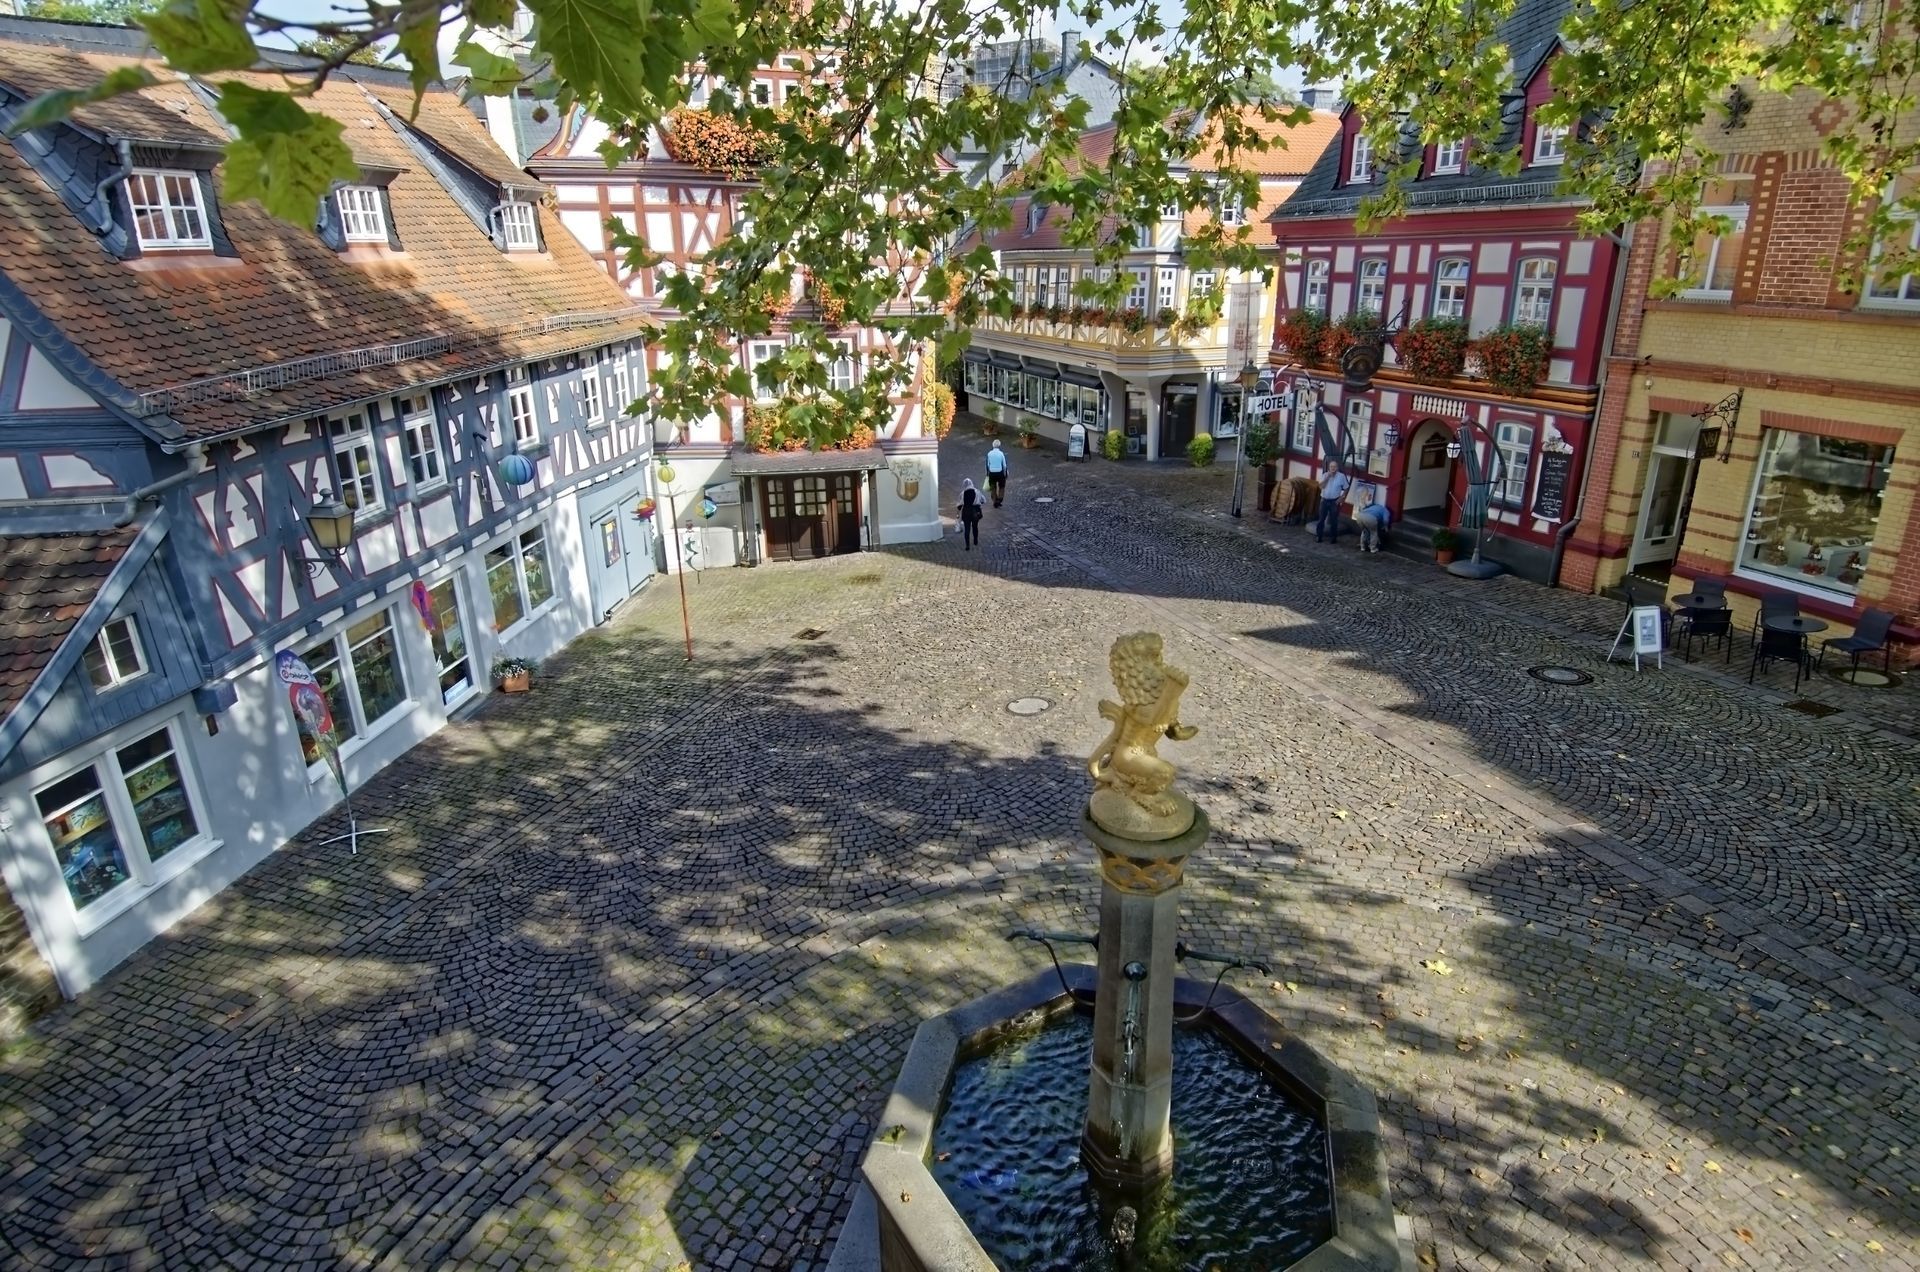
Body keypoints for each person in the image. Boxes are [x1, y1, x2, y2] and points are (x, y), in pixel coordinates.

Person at [1314, 463, 1351, 543]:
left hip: (1334, 501)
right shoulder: (1325, 475)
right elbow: (1321, 486)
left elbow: (1346, 488)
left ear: (1337, 468)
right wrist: (1328, 477)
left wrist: (1342, 497)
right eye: (1331, 467)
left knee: (1334, 520)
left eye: (1334, 467)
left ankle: (1333, 538)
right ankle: (1319, 536)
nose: (1333, 468)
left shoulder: (1341, 476)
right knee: (1321, 519)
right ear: (1329, 468)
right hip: (1324, 500)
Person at [1353, 482, 1391, 554]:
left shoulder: (1375, 506)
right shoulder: (1385, 510)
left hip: (1360, 515)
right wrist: (1385, 527)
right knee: (1374, 533)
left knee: (1364, 531)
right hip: (1370, 518)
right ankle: (1373, 548)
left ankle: (1362, 547)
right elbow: (1386, 520)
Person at [958, 478, 984, 550]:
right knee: (975, 526)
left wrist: (959, 509)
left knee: (967, 528)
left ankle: (967, 545)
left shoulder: (962, 493)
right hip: (975, 511)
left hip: (966, 512)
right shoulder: (977, 491)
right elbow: (983, 500)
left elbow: (959, 505)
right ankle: (975, 540)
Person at [984, 440, 1009, 507]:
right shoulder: (1001, 453)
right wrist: (1006, 473)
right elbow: (1004, 465)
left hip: (992, 473)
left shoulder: (989, 453)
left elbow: (987, 464)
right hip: (1000, 472)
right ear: (999, 446)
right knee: (1002, 486)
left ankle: (995, 500)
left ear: (993, 445)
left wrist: (987, 473)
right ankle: (1000, 499)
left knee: (993, 487)